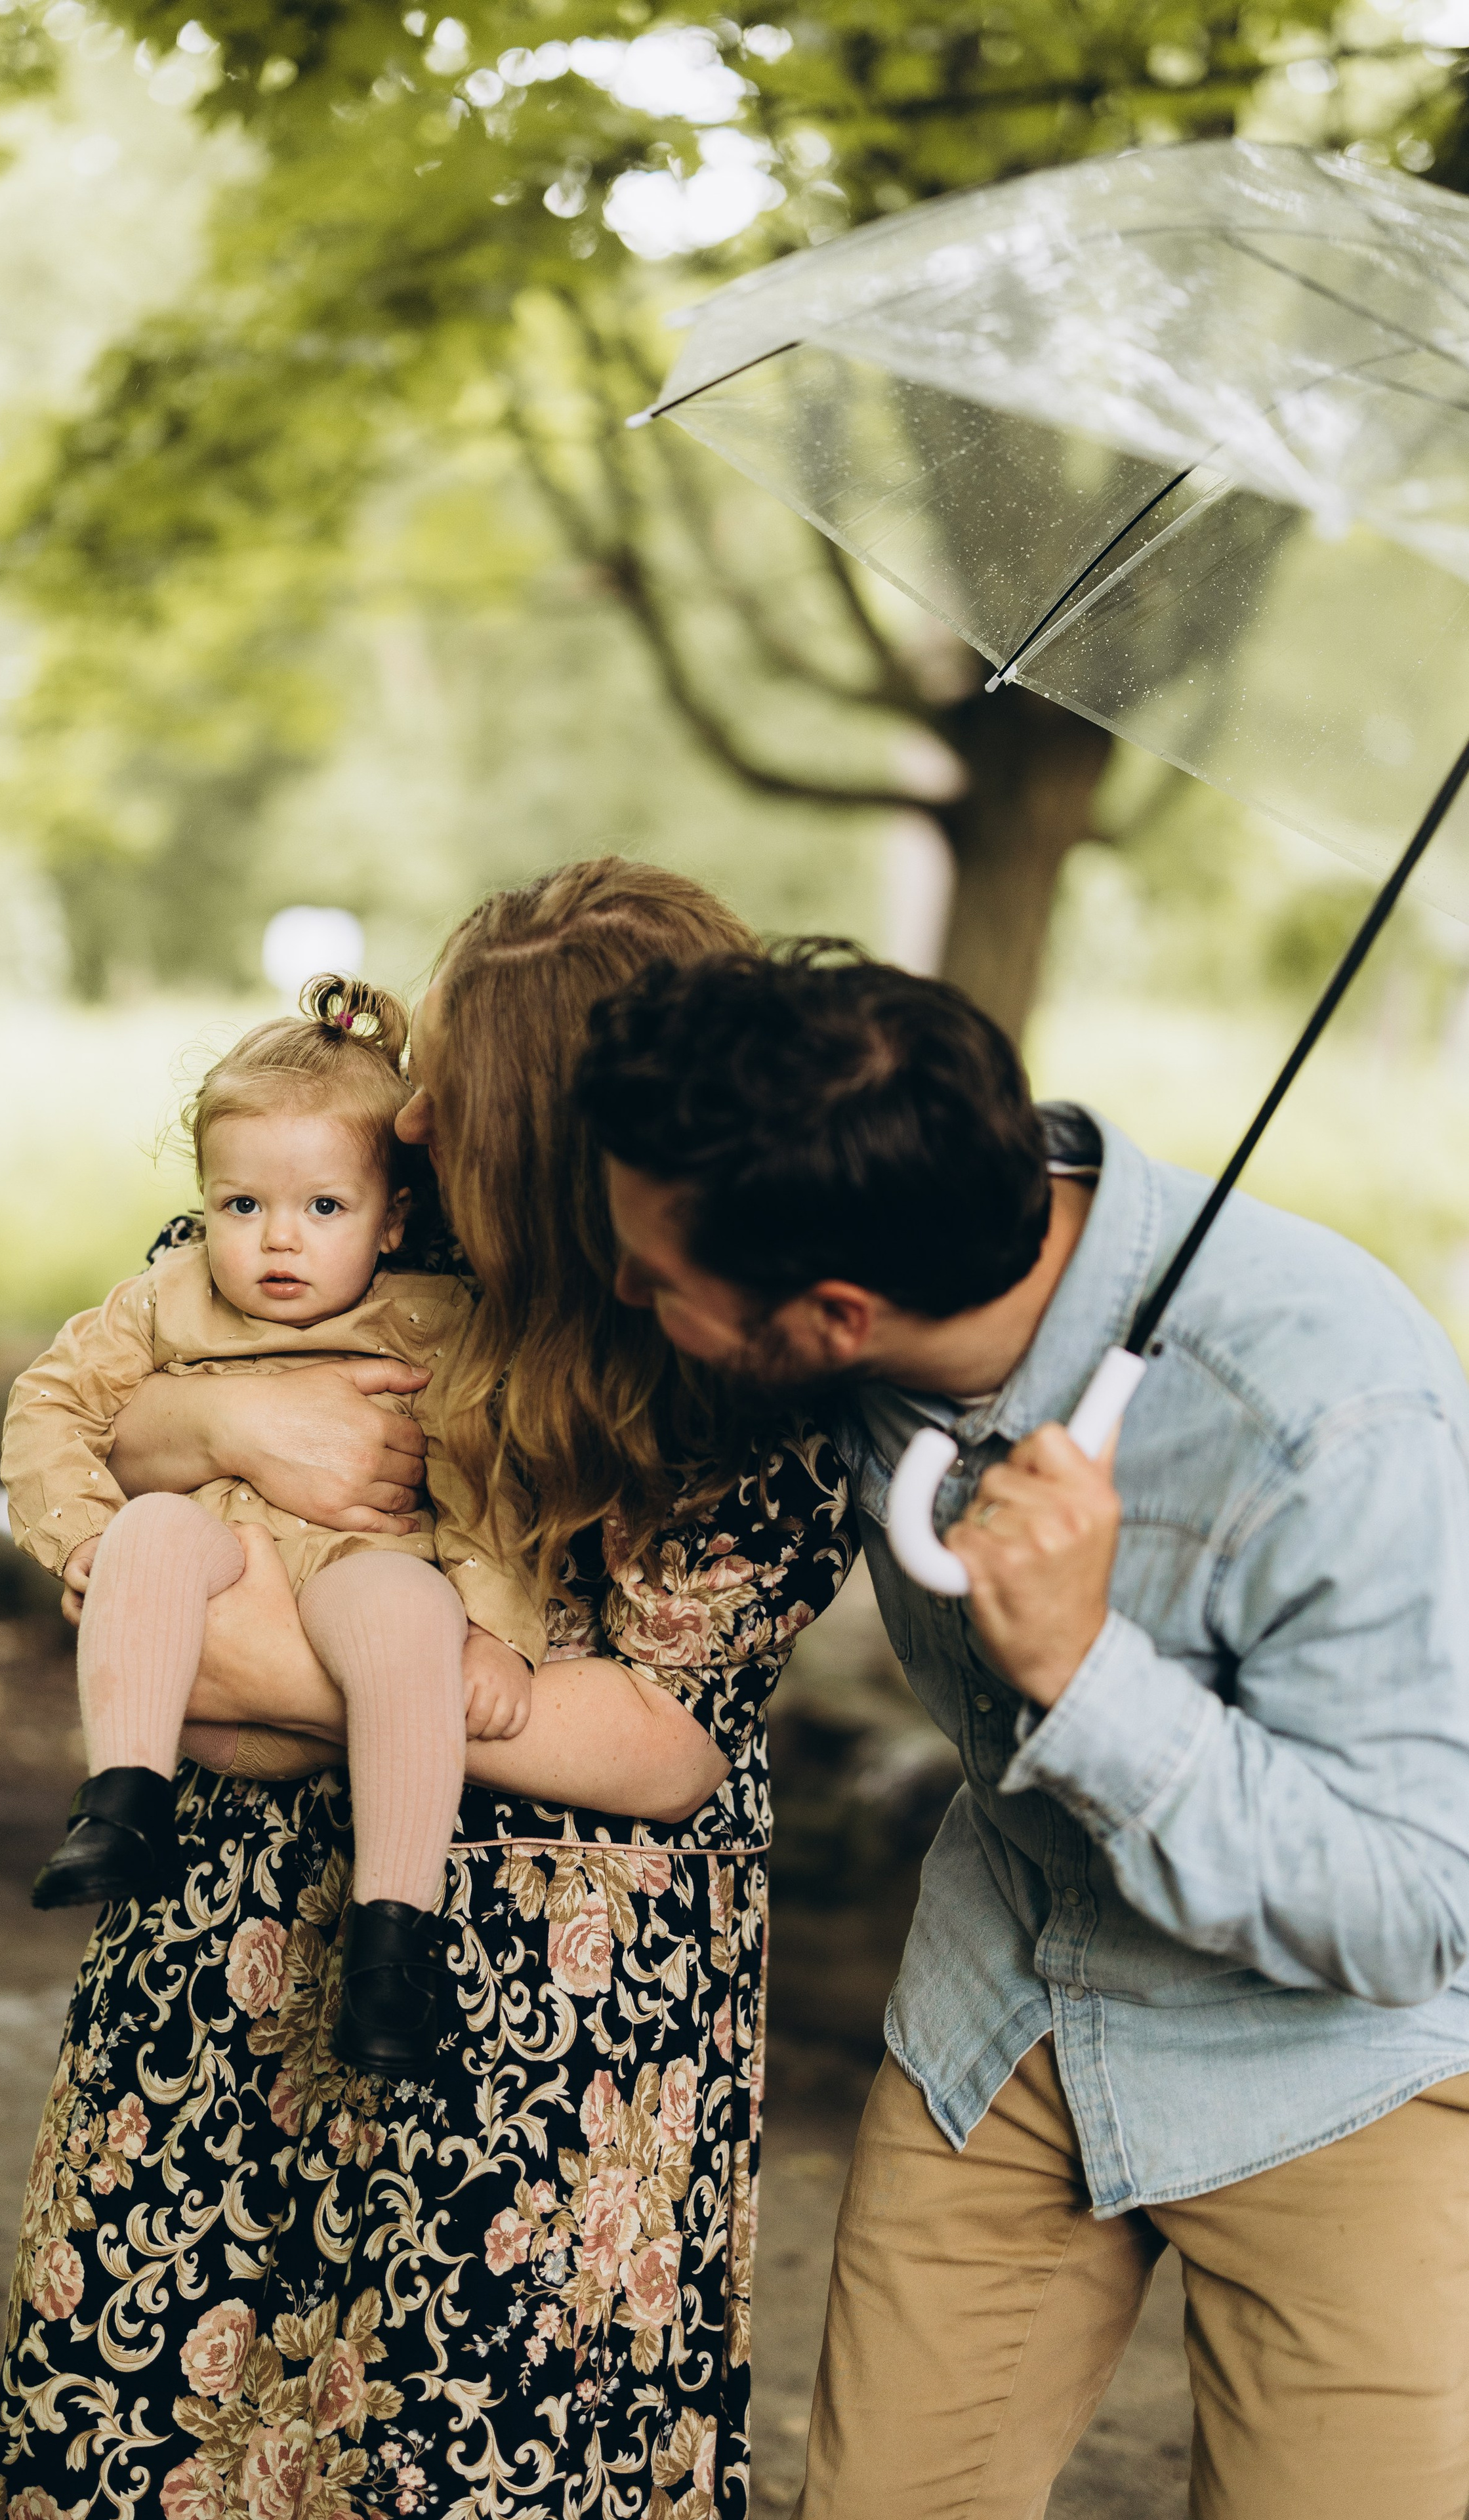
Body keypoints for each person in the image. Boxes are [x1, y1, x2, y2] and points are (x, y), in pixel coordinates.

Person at [0, 860, 853, 2520]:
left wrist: (256, 1678)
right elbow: (121, 1397)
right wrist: (222, 1433)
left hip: (545, 1999)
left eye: (472, 1091)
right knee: (166, 2398)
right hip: (233, 1939)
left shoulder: (748, 1342)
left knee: (471, 2436)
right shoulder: (366, 1190)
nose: (421, 1102)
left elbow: (663, 1748)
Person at [577, 941, 1469, 2520]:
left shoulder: (1331, 1412)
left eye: (658, 1279)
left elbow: (1410, 1905)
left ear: (831, 1317)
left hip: (1330, 2062)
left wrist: (1086, 1673)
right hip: (1011, 2001)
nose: (628, 1293)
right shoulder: (877, 1221)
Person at [4, 974, 546, 2074]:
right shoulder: (166, 1296)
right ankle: (122, 1800)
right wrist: (85, 1535)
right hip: (219, 1562)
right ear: (206, 1201)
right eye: (241, 1206)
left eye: (324, 1209)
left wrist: (500, 1629)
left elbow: (486, 1478)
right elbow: (49, 1399)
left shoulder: (437, 1320)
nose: (275, 1241)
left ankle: (395, 1928)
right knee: (150, 1534)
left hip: (359, 1558)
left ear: (393, 1215)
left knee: (408, 1615)